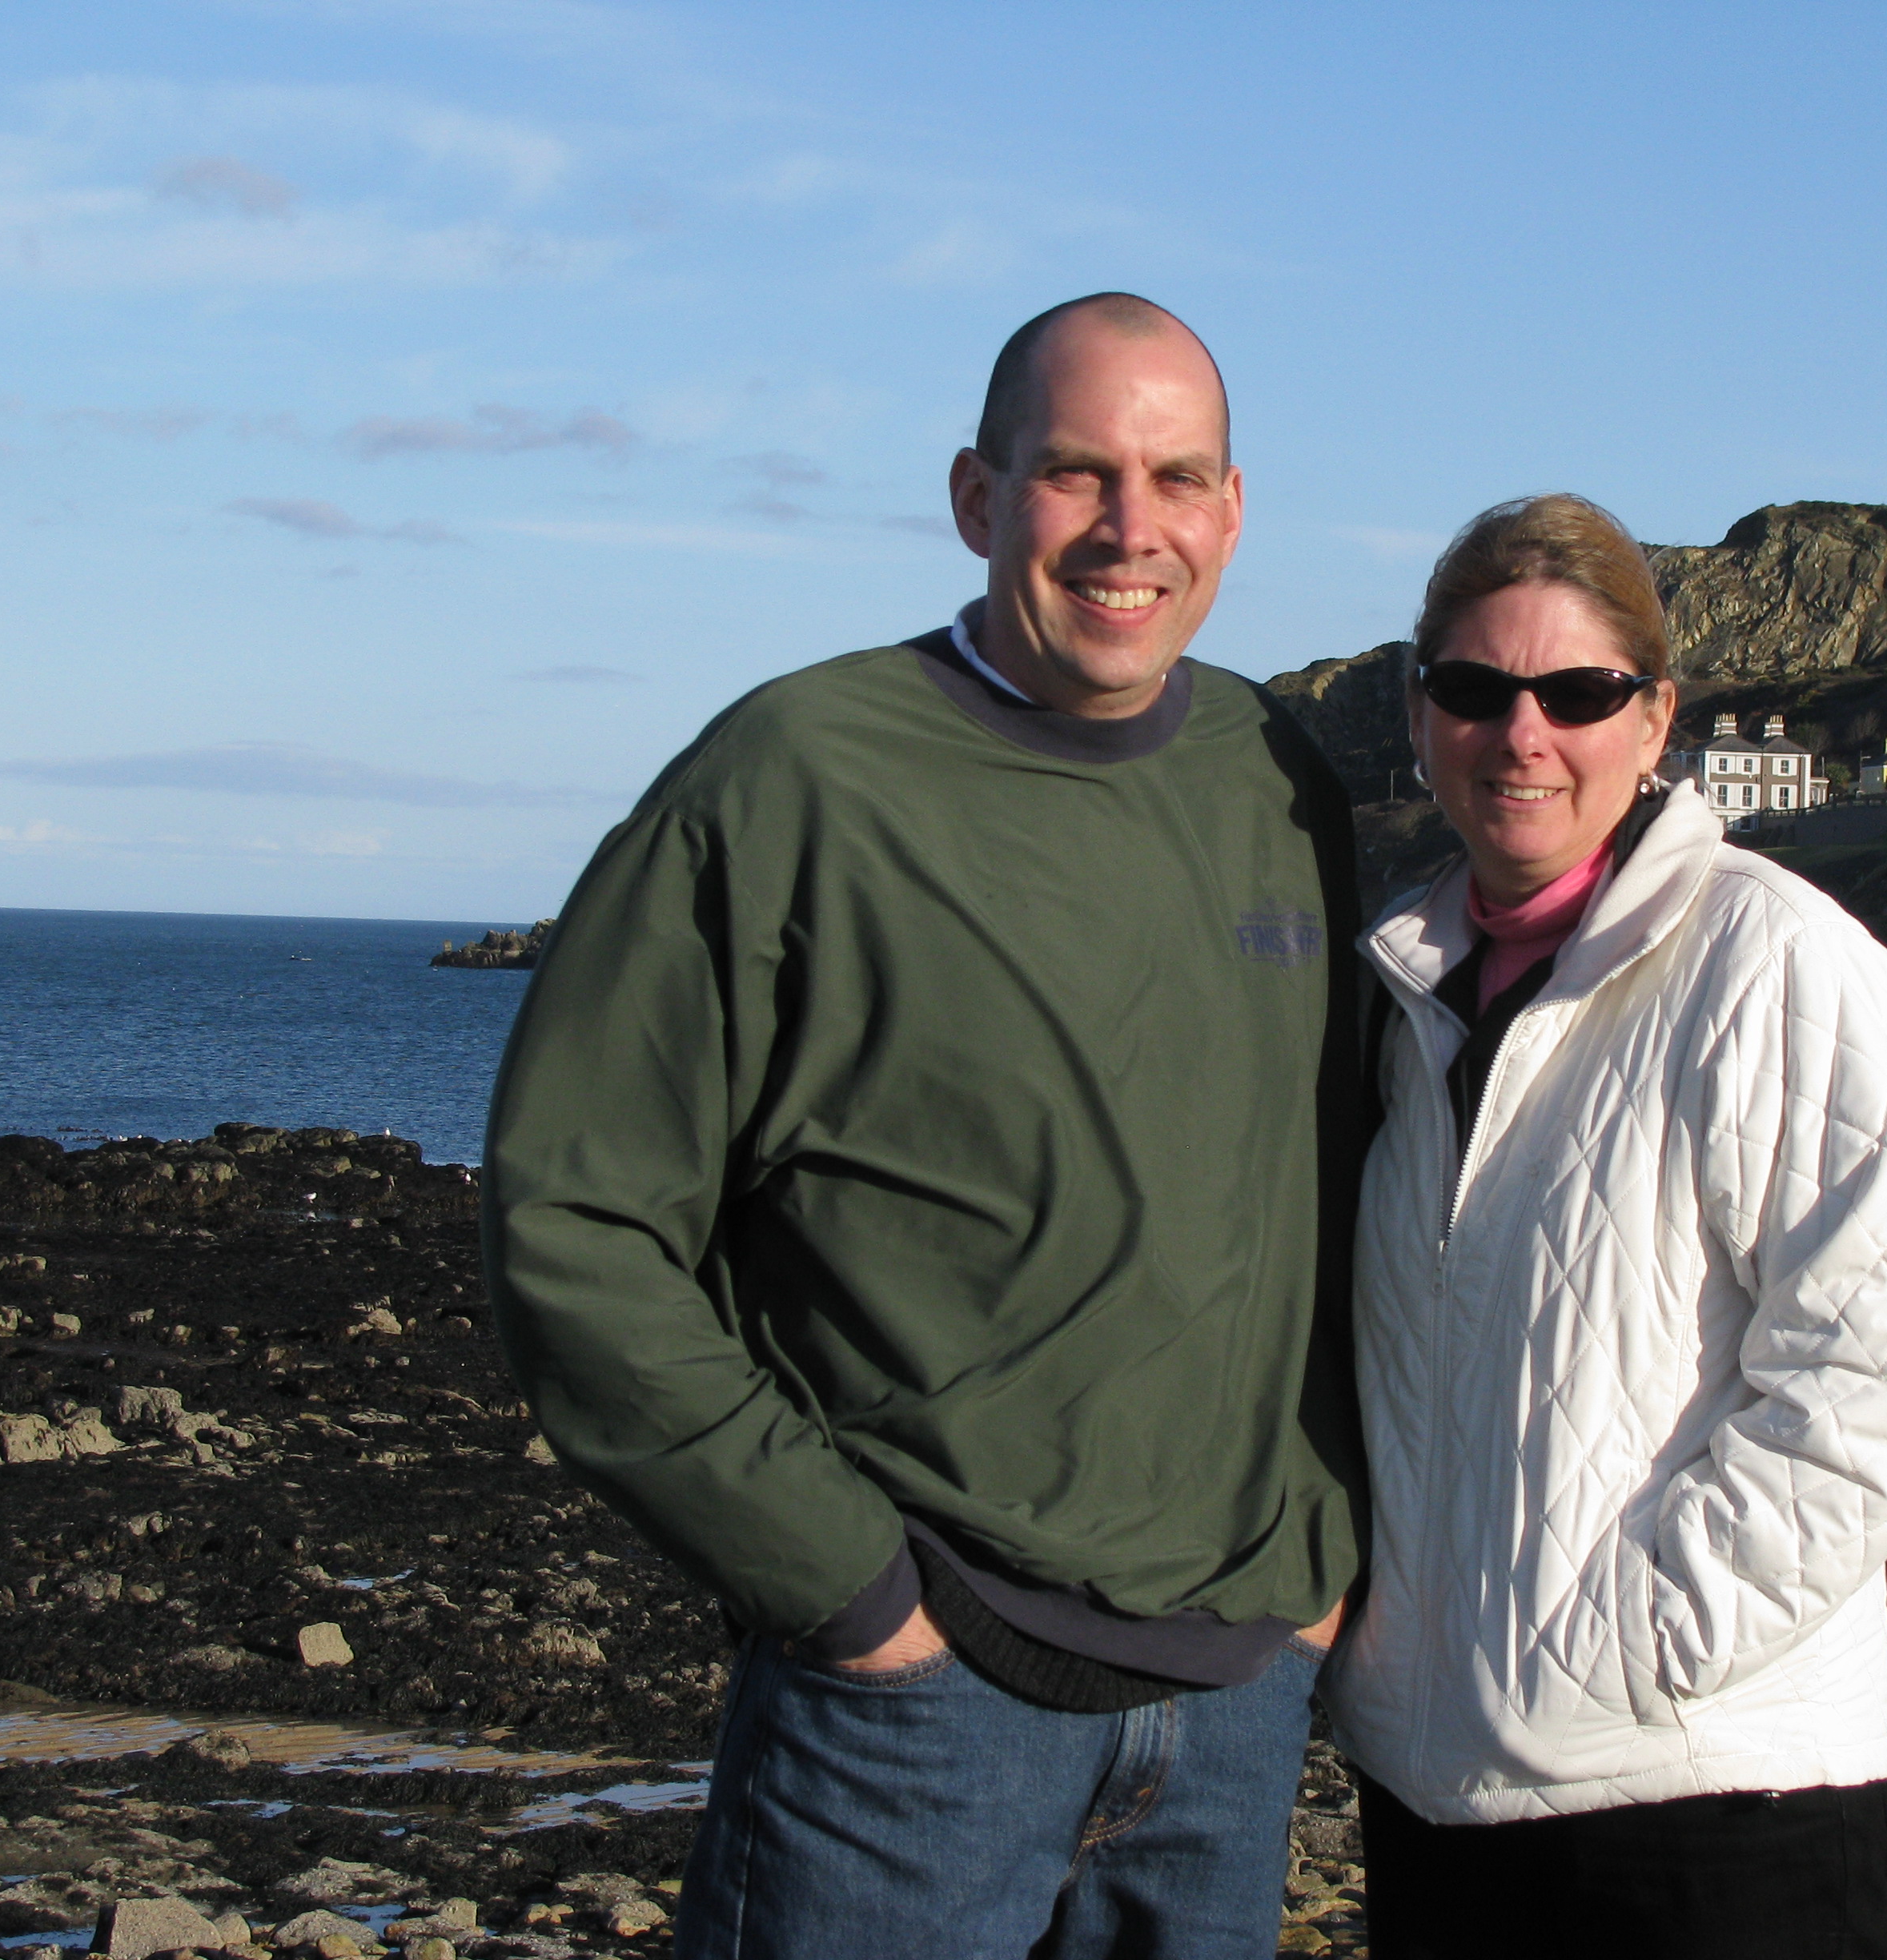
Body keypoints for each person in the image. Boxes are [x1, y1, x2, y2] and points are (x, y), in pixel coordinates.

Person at [483, 293, 1363, 1960]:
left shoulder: (1279, 774)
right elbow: (573, 1223)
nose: (1132, 530)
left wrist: (1318, 1571)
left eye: (1179, 479)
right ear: (976, 497)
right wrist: (849, 1593)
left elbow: (1326, 1176)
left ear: (1234, 512)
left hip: (1235, 1725)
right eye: (1075, 473)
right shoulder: (792, 778)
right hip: (909, 1727)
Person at [1319, 493, 1887, 1958]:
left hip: (1708, 1807)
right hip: (1436, 1801)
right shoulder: (1398, 996)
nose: (1524, 734)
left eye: (1577, 693)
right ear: (1422, 716)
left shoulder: (1778, 961)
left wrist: (1634, 1647)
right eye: (1475, 691)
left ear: (1655, 718)